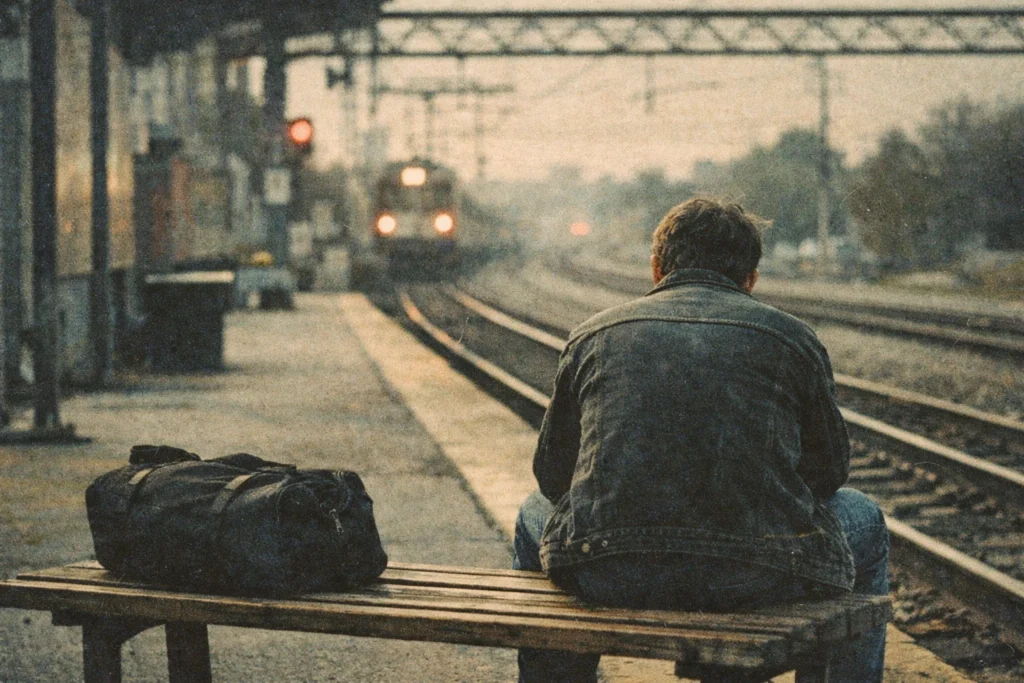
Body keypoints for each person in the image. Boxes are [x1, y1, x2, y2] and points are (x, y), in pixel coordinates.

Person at [513, 197, 889, 683]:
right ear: (750, 278)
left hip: (610, 572)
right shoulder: (793, 338)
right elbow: (828, 475)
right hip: (754, 578)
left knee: (530, 514)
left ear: (656, 269)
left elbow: (552, 478)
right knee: (866, 519)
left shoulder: (592, 334)